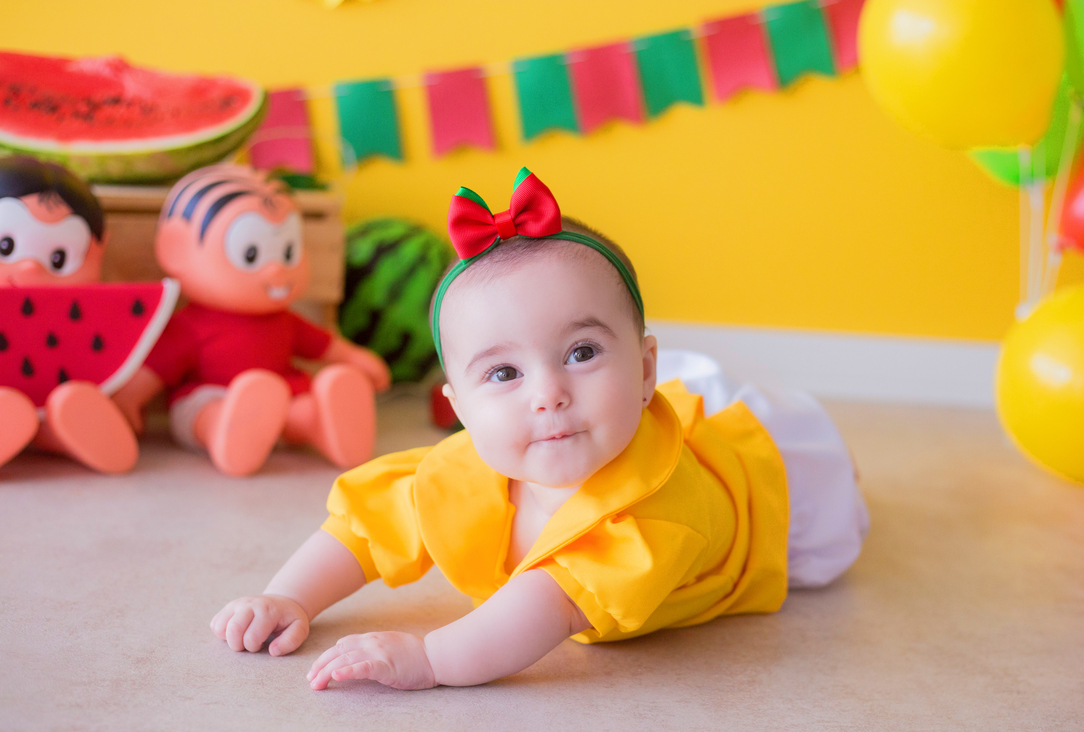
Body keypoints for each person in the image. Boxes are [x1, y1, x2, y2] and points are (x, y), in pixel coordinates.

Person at [211, 169, 868, 690]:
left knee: (804, 476)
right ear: (459, 408)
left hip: (743, 504)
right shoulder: (467, 469)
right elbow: (364, 525)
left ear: (645, 373)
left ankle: (834, 473)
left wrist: (431, 658)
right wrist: (288, 598)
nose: (548, 395)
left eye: (581, 353)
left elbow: (545, 606)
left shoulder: (648, 519)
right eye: (503, 374)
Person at [113, 164, 391, 477]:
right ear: (176, 250)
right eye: (250, 254)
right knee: (203, 412)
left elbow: (323, 345)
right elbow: (157, 368)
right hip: (213, 393)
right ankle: (224, 433)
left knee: (299, 408)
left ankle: (325, 426)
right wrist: (127, 401)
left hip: (282, 393)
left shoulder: (285, 320)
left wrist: (355, 358)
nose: (276, 271)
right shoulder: (189, 326)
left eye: (288, 252)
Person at [0, 155, 142, 473]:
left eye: (59, 257)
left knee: (67, 405)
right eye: (5, 247)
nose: (30, 268)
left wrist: (128, 399)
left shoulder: (90, 314)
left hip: (64, 394)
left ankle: (68, 427)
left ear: (99, 250)